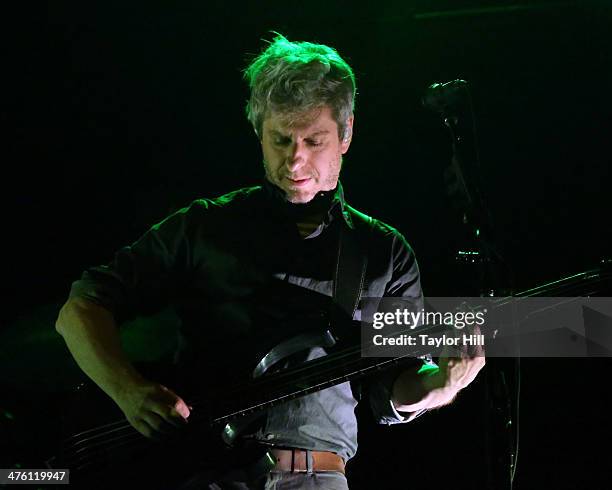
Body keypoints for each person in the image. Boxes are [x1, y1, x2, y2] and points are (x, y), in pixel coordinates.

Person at [55, 33, 485, 489]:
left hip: (318, 478)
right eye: (280, 139)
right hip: (208, 475)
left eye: (314, 140)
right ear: (258, 132)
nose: (295, 159)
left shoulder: (384, 253)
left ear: (347, 133)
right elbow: (80, 310)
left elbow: (389, 389)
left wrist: (440, 384)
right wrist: (127, 390)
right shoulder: (204, 227)